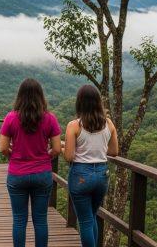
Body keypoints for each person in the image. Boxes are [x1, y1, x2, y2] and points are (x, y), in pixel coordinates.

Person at [0, 78, 62, 247]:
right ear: (41, 96)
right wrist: (44, 157)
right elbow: (57, 149)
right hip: (42, 174)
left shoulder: (11, 118)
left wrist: (15, 155)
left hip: (17, 174)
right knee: (40, 220)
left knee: (19, 220)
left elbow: (3, 148)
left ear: (20, 96)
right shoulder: (50, 118)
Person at [62, 85, 119, 247]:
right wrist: (97, 149)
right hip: (102, 175)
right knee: (92, 216)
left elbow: (69, 156)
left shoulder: (74, 125)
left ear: (79, 103)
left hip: (81, 175)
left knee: (85, 220)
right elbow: (114, 151)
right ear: (98, 102)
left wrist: (65, 147)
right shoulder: (109, 124)